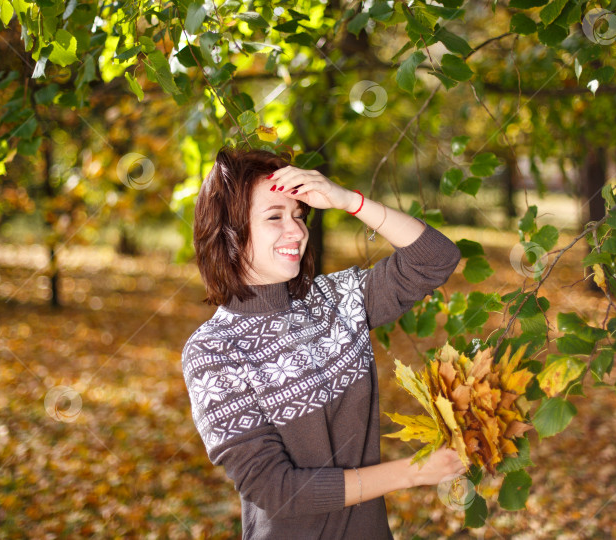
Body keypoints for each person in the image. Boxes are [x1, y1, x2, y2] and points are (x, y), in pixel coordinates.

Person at [181, 146, 467, 539]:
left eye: (299, 216)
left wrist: (349, 200)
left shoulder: (337, 300)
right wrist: (413, 472)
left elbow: (436, 258)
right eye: (274, 217)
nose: (296, 231)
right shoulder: (213, 351)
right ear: (230, 232)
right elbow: (276, 490)